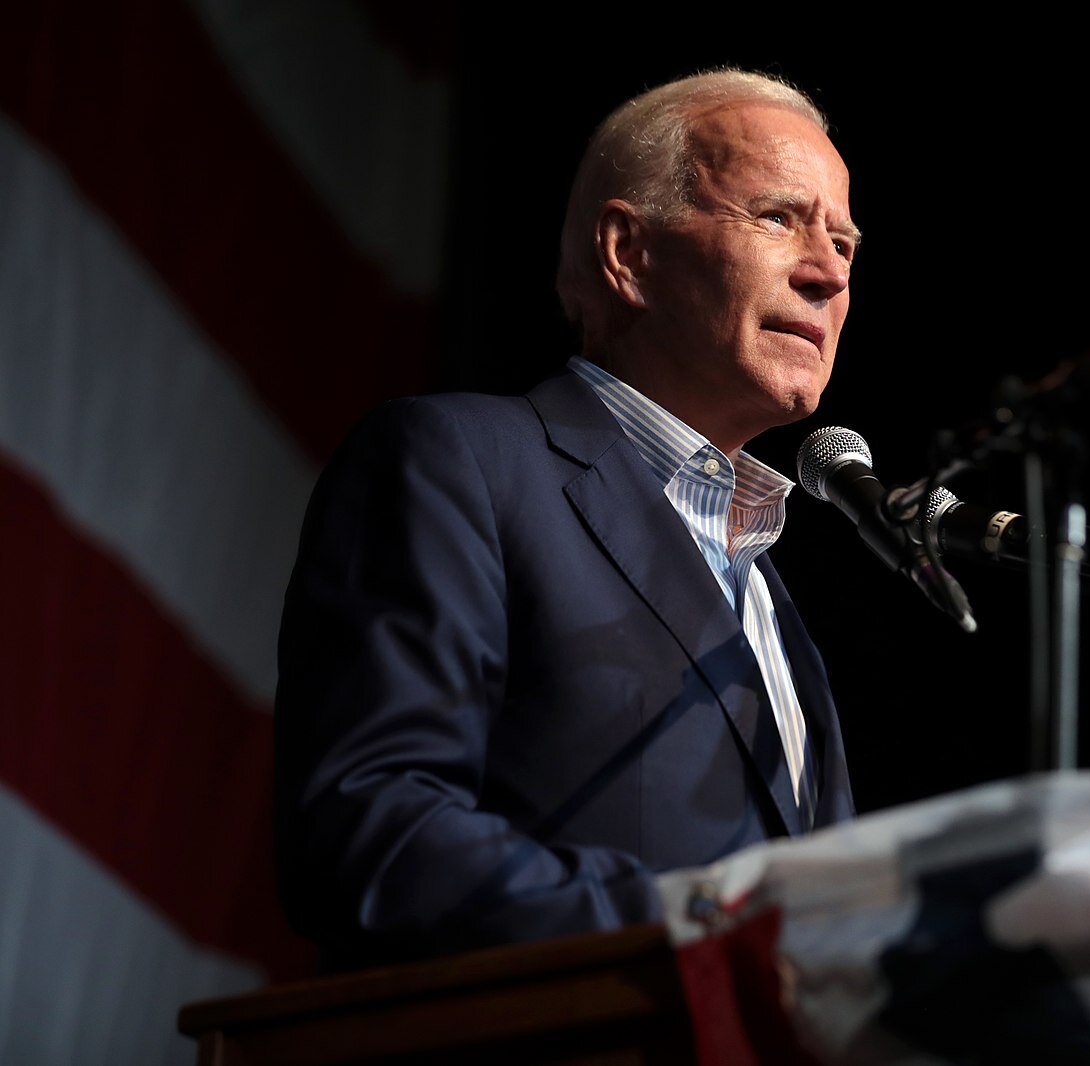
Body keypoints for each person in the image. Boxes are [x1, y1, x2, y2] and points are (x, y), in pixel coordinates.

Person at [273, 69, 859, 971]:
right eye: (778, 217)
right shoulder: (460, 462)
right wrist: (687, 929)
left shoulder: (773, 600)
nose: (825, 271)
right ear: (628, 252)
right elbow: (370, 830)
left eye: (845, 244)